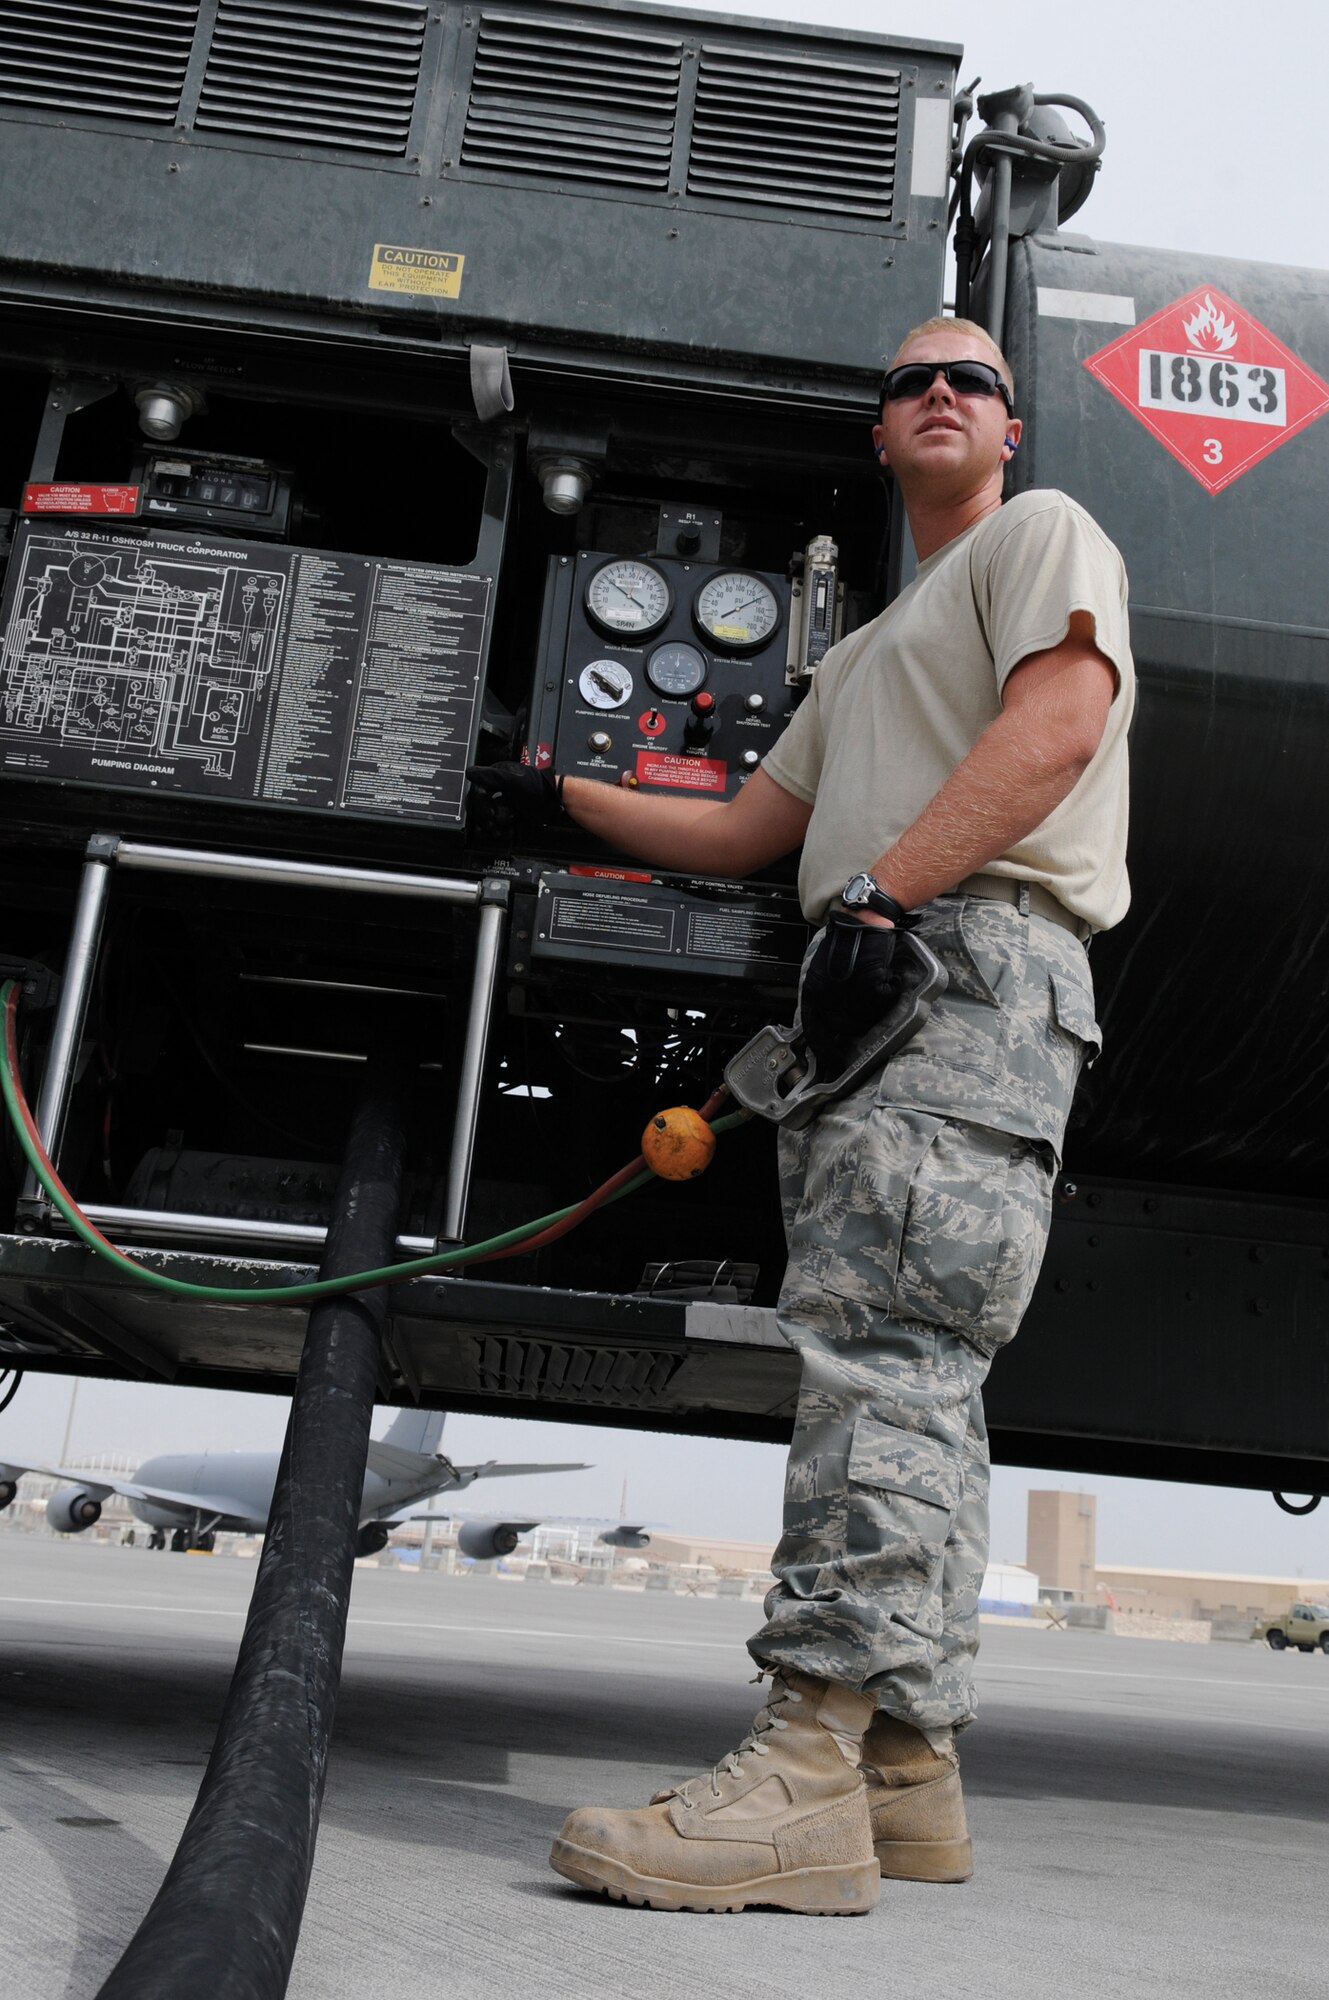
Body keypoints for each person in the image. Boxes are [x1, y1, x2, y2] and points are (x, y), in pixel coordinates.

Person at [469, 316, 1133, 1915]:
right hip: (896, 974)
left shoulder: (1037, 538)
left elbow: (1058, 722)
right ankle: (906, 1771)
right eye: (907, 380)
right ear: (878, 431)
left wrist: (880, 902)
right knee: (917, 1373)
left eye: (967, 378)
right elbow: (747, 828)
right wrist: (555, 784)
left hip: (958, 965)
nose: (936, 395)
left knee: (883, 1361)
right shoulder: (862, 653)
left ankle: (806, 1771)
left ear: (1008, 429)